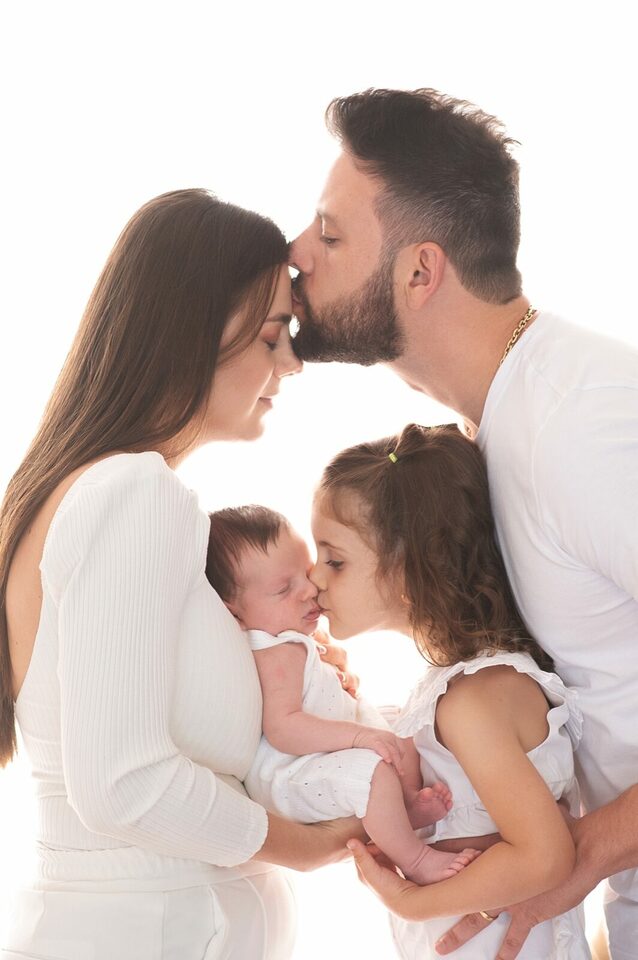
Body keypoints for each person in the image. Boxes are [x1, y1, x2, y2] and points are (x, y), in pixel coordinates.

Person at [289, 88, 638, 960]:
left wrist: (572, 858)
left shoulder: (582, 427)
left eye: (330, 234)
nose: (296, 253)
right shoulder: (499, 434)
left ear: (421, 271)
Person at [0, 188, 364, 960]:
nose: (291, 363)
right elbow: (123, 782)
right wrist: (308, 845)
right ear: (193, 330)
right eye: (272, 336)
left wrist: (281, 677)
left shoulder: (82, 492)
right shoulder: (135, 491)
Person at [311, 422, 590, 959]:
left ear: (409, 570)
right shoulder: (452, 690)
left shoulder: (473, 700)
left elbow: (545, 857)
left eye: (335, 560)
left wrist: (411, 902)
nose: (314, 578)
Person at [206, 504, 479, 886]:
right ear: (234, 614)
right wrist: (360, 736)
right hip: (292, 774)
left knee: (406, 724)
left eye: (305, 573)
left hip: (325, 752)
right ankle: (415, 858)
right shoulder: (273, 652)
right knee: (373, 772)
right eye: (284, 589)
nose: (309, 590)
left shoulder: (290, 637)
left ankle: (404, 806)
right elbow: (284, 729)